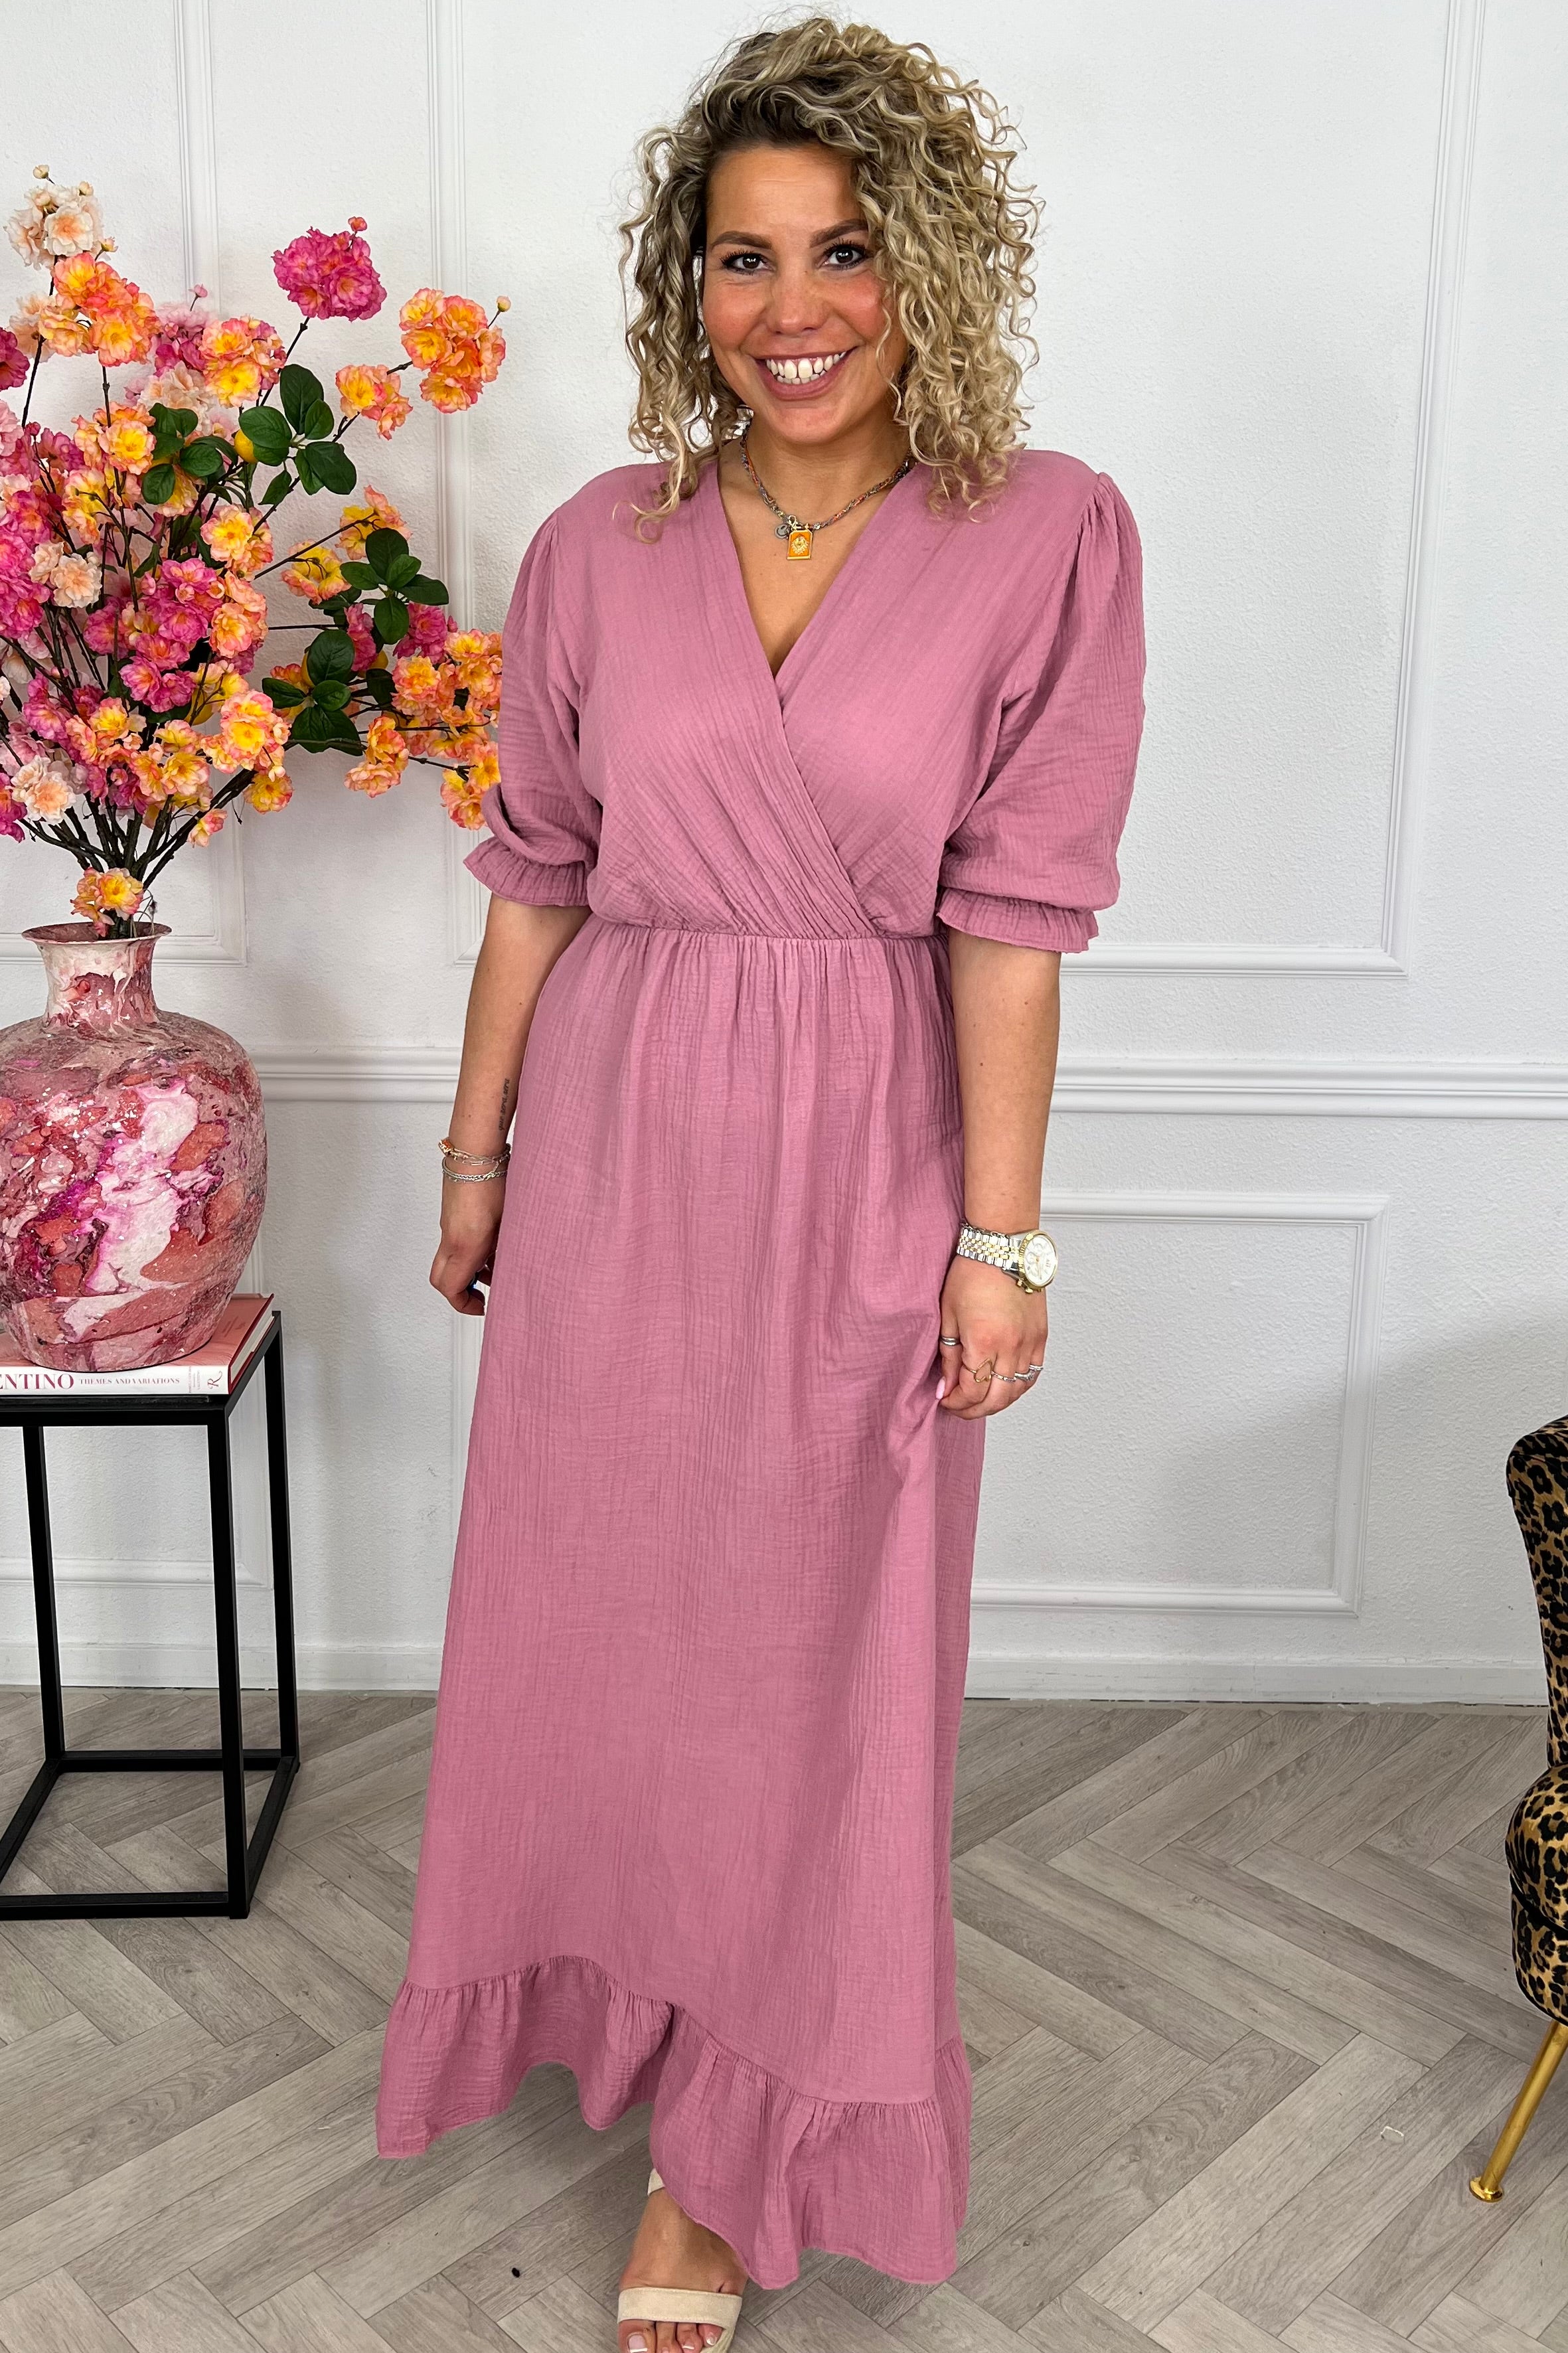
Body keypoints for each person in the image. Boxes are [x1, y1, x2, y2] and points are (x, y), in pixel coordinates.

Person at [375, 19, 1145, 2351]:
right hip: (618, 1146)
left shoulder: (1048, 531)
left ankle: (730, 2158)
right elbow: (538, 878)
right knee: (603, 1631)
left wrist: (998, 1241)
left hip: (867, 1155)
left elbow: (1013, 921)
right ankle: (630, 2025)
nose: (788, 306)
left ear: (929, 267)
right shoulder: (598, 544)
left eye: (840, 250)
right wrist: (478, 1150)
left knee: (819, 1669)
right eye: (740, 256)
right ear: (682, 282)